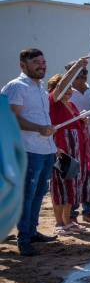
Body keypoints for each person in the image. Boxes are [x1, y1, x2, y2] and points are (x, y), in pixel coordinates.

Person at [2, 49, 59, 256]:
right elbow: (11, 118)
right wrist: (38, 128)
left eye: (43, 62)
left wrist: (49, 131)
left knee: (38, 194)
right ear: (22, 65)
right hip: (27, 150)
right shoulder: (17, 87)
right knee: (27, 195)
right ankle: (23, 238)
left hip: (45, 149)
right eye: (36, 62)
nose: (42, 65)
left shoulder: (41, 89)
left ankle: (32, 232)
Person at [47, 65, 90, 236]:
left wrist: (84, 121)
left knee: (72, 187)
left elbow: (76, 127)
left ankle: (68, 221)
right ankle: (59, 223)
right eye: (64, 89)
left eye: (69, 89)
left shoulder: (71, 105)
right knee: (60, 188)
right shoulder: (53, 102)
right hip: (62, 151)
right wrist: (77, 65)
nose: (68, 92)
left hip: (76, 152)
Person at [66, 62, 90, 223]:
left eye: (84, 72)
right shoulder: (66, 94)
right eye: (78, 73)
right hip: (73, 144)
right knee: (73, 179)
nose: (82, 75)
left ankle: (89, 210)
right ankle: (71, 214)